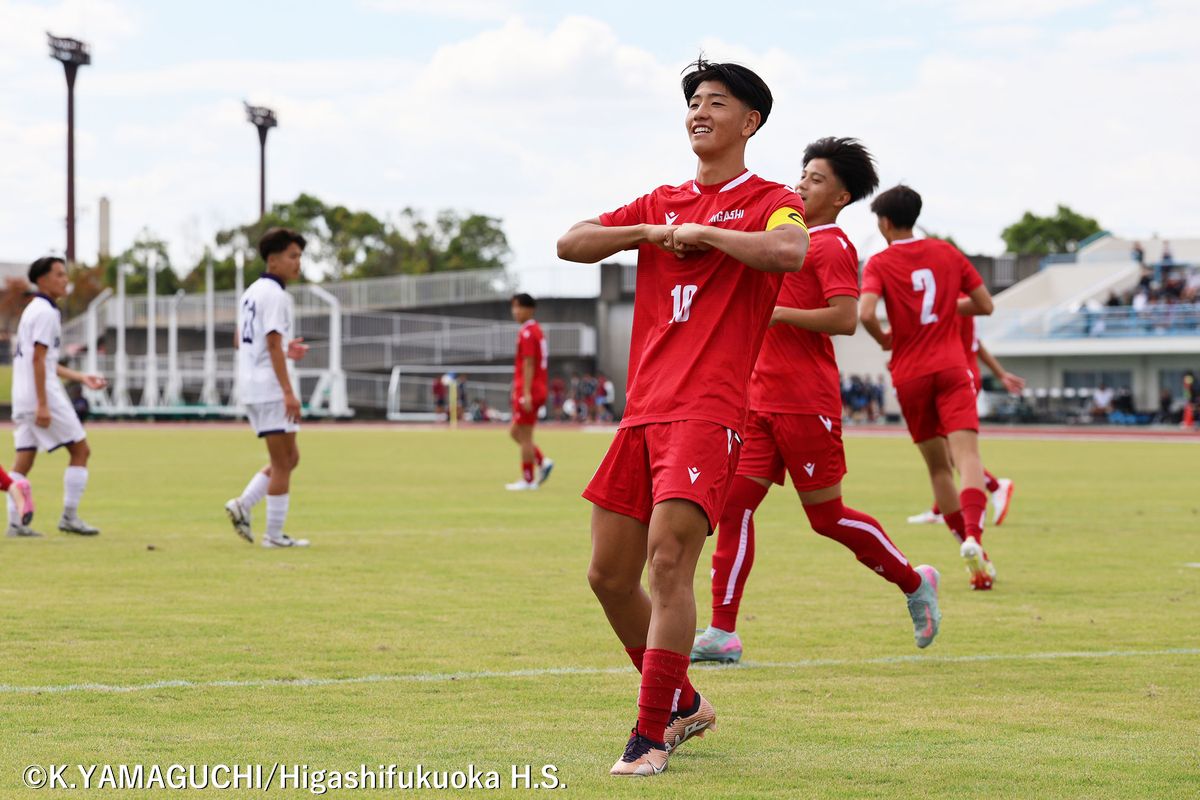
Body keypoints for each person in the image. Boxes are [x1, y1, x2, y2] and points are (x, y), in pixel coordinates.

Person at [556, 58, 808, 776]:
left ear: (749, 122)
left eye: (716, 102)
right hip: (642, 414)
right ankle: (685, 702)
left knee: (668, 565)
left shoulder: (772, 198)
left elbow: (791, 248)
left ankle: (649, 734)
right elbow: (570, 242)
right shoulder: (660, 199)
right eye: (693, 102)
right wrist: (647, 231)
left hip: (709, 414)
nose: (699, 112)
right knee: (608, 576)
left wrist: (711, 237)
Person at [692, 137, 940, 668]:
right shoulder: (782, 235)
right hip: (757, 401)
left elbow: (845, 318)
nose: (803, 183)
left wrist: (779, 315)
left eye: (817, 179)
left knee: (826, 518)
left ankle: (915, 580)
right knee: (733, 507)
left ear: (841, 197)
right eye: (803, 174)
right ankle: (722, 631)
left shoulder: (831, 245)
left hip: (807, 403)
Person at [859, 185, 997, 590]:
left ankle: (970, 549)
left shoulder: (880, 261)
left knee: (938, 467)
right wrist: (941, 311)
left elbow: (865, 312)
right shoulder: (947, 252)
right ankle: (975, 537)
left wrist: (886, 336)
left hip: (910, 372)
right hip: (952, 367)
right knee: (968, 457)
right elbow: (985, 304)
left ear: (884, 223)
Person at [224, 228, 311, 548]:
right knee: (282, 462)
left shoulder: (251, 292)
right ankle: (273, 536)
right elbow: (272, 343)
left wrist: (287, 350)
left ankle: (243, 505)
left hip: (254, 384)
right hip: (270, 388)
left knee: (289, 458)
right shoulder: (275, 294)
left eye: (300, 256)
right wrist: (288, 391)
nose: (298, 263)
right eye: (292, 256)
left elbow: (242, 340)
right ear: (273, 260)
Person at [8, 257, 106, 537]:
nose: (65, 280)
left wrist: (81, 377)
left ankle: (15, 524)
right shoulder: (46, 313)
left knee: (23, 459)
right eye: (59, 275)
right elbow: (39, 361)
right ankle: (69, 517)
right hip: (43, 395)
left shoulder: (33, 309)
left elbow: (43, 360)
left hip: (23, 394)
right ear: (42, 280)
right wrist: (42, 404)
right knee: (80, 450)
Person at [907, 315, 1024, 527]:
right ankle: (942, 508)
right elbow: (976, 342)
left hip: (954, 377)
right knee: (946, 448)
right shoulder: (960, 298)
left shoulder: (952, 298)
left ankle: (996, 486)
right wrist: (1000, 374)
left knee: (948, 449)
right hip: (963, 373)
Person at [505, 293, 553, 490]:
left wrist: (525, 392)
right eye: (513, 307)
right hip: (534, 387)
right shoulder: (536, 330)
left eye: (519, 307)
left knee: (525, 436)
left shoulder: (527, 332)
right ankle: (542, 462)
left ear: (529, 309)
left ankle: (528, 479)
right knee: (515, 432)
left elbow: (529, 363)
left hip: (530, 389)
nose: (515, 311)